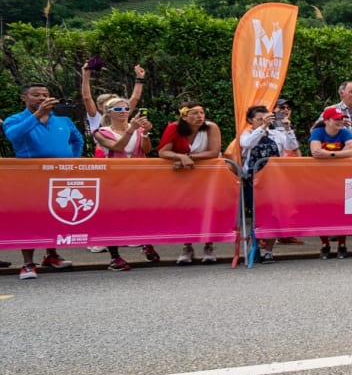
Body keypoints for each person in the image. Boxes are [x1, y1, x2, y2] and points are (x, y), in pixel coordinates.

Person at [5, 83, 85, 277]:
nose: (41, 98)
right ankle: (27, 263)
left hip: (59, 178)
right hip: (30, 178)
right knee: (30, 219)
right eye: (36, 95)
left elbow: (78, 140)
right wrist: (36, 115)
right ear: (24, 98)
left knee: (55, 216)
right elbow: (12, 135)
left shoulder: (63, 120)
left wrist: (71, 161)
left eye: (45, 95)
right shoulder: (15, 119)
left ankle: (51, 255)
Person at [87, 93, 155, 271]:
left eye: (126, 108)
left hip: (139, 178)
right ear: (108, 112)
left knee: (143, 212)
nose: (123, 111)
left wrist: (146, 133)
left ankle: (147, 244)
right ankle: (114, 257)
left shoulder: (138, 130)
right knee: (113, 216)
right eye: (118, 109)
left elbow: (146, 149)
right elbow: (117, 147)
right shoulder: (101, 132)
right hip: (114, 180)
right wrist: (131, 130)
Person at [155, 102, 223, 264]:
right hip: (184, 174)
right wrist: (180, 157)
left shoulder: (211, 127)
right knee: (186, 208)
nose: (200, 116)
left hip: (208, 174)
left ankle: (209, 245)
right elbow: (163, 151)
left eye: (202, 112)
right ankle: (187, 246)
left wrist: (189, 157)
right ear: (184, 116)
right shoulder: (174, 128)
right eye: (194, 113)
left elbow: (214, 152)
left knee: (208, 208)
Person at [236, 102, 298, 262]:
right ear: (250, 120)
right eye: (258, 119)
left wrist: (287, 129)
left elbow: (292, 146)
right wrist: (262, 127)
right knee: (256, 216)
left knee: (272, 215)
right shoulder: (246, 134)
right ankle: (254, 247)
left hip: (274, 179)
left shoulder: (276, 134)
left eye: (265, 119)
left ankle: (269, 250)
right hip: (253, 180)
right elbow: (248, 144)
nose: (263, 122)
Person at [307, 105, 352, 259]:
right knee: (321, 212)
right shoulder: (318, 132)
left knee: (341, 211)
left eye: (341, 119)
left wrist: (329, 154)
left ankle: (342, 244)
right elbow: (315, 152)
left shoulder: (344, 132)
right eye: (336, 119)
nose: (340, 121)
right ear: (327, 120)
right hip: (320, 178)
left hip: (339, 178)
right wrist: (340, 154)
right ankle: (325, 244)